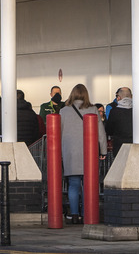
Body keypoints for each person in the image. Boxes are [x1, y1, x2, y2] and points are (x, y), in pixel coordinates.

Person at [59, 84, 106, 224]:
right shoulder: (92, 110)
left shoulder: (63, 111)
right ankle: (87, 215)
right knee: (88, 185)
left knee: (73, 184)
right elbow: (101, 133)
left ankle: (74, 215)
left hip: (70, 153)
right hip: (89, 153)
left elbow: (58, 133)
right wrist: (103, 150)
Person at [104, 87, 133, 152]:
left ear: (118, 97)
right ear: (131, 96)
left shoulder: (114, 111)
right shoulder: (137, 110)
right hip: (134, 144)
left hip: (119, 145)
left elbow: (109, 130)